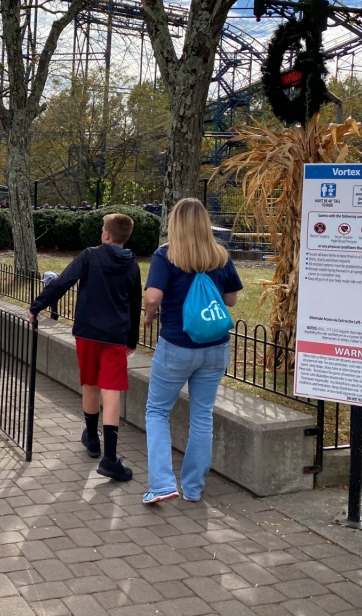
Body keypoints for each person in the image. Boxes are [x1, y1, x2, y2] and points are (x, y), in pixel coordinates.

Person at [141, 198, 242, 504]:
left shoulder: (166, 255)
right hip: (215, 348)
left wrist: (147, 315)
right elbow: (232, 300)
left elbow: (153, 295)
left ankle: (161, 484)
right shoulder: (220, 256)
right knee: (202, 416)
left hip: (177, 346)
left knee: (157, 411)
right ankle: (193, 489)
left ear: (175, 223)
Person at [28, 213, 142, 482]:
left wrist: (37, 306)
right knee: (111, 393)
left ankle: (92, 438)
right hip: (116, 337)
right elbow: (135, 302)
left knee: (90, 384)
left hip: (88, 333)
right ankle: (110, 458)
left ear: (105, 234)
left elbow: (62, 282)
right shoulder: (132, 265)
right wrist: (131, 341)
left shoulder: (90, 256)